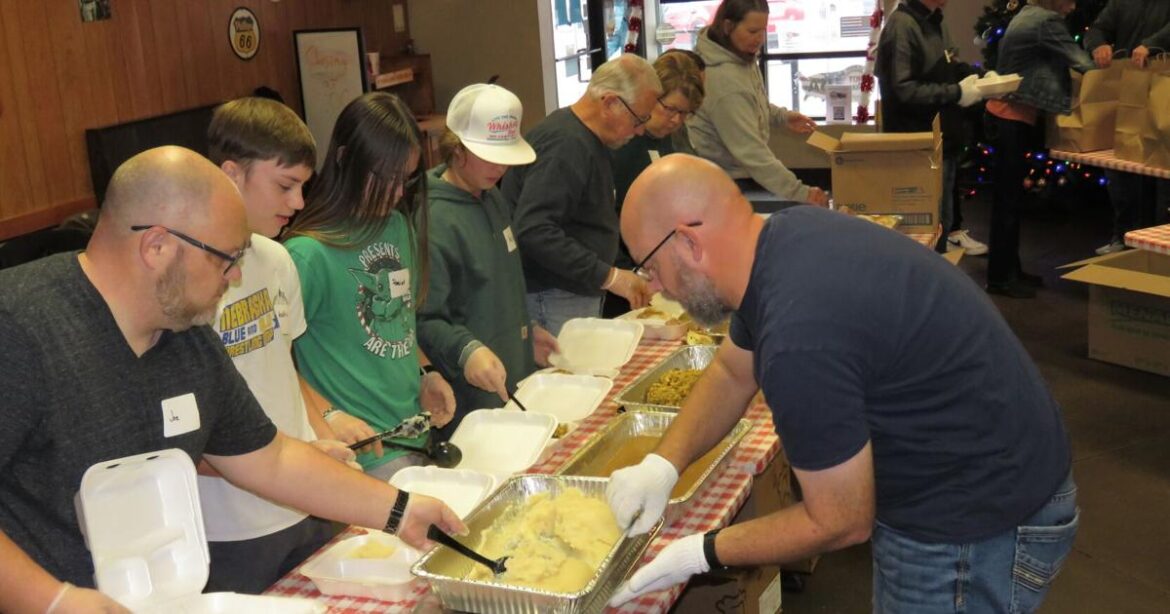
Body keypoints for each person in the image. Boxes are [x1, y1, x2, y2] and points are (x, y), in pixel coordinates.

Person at [0, 146, 465, 613]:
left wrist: (399, 510)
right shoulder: (19, 326)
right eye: (226, 259)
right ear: (156, 247)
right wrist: (53, 601)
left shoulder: (189, 338)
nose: (237, 275)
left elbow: (272, 458)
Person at [605, 154, 1077, 613]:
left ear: (689, 242)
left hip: (974, 526)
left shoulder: (799, 336)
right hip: (979, 474)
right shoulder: (783, 235)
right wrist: (662, 466)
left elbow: (840, 521)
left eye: (650, 266)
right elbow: (732, 371)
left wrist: (700, 553)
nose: (657, 286)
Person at [198, 97, 359, 593]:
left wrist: (320, 429)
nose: (297, 203)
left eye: (303, 187)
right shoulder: (186, 286)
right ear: (230, 175)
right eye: (285, 185)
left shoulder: (276, 260)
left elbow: (283, 370)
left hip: (304, 500)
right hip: (230, 528)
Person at [284, 92, 456, 480]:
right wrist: (329, 414)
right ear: (346, 160)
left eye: (405, 179)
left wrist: (425, 375)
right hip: (361, 458)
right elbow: (275, 362)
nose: (397, 193)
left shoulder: (397, 226)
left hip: (413, 438)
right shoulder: (306, 254)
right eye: (385, 178)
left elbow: (401, 324)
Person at [417, 83, 558, 435]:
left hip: (515, 381)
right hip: (468, 402)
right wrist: (466, 351)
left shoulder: (491, 196)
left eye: (505, 156)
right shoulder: (431, 218)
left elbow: (500, 285)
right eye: (488, 154)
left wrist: (526, 332)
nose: (499, 167)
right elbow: (423, 319)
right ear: (456, 146)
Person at [500, 53, 661, 335]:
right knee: (569, 377)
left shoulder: (588, 139)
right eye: (638, 119)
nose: (640, 131)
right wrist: (608, 276)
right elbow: (534, 229)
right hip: (552, 294)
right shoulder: (566, 144)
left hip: (569, 291)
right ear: (610, 102)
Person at [984, 1, 1095, 299]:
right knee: (1008, 203)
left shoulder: (1027, 14)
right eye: (1069, 1)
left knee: (1008, 201)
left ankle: (1009, 270)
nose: (1072, 8)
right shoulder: (1047, 21)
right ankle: (1000, 279)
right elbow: (1081, 62)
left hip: (1004, 114)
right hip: (1011, 117)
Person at [686, 0, 829, 208]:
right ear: (727, 27)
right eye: (752, 31)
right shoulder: (724, 81)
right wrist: (801, 193)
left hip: (740, 175)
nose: (759, 39)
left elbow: (752, 103)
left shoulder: (739, 54)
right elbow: (751, 153)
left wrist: (782, 117)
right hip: (722, 184)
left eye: (763, 31)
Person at [875, 0, 990, 255]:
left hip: (940, 141)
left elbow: (948, 64)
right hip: (915, 144)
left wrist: (978, 78)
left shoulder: (933, 20)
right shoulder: (902, 25)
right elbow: (903, 89)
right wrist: (956, 92)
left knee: (941, 223)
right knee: (922, 230)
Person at [1085, 0, 1170, 254]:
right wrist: (1097, 44)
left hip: (1164, 89)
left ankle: (1159, 243)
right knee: (1122, 164)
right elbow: (1097, 29)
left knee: (1163, 168)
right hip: (1129, 92)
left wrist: (1154, 44)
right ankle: (1123, 236)